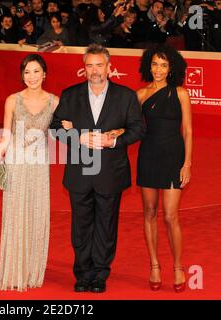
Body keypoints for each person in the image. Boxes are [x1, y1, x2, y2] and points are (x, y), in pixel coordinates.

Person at [50, 44, 145, 293]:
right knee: (80, 226)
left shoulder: (125, 96)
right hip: (80, 171)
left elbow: (138, 128)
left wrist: (113, 140)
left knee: (106, 224)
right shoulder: (70, 95)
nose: (94, 70)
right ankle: (82, 273)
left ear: (109, 67)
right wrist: (77, 137)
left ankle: (100, 274)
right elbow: (55, 126)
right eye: (89, 65)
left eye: (99, 65)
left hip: (110, 171)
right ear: (84, 68)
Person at [0, 54, 60, 291]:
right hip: (16, 164)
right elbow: (6, 135)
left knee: (37, 214)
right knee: (16, 215)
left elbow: (65, 128)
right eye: (27, 72)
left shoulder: (54, 102)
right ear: (22, 75)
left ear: (44, 74)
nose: (31, 76)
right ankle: (14, 271)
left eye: (36, 71)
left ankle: (32, 272)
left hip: (40, 166)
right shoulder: (12, 100)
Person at [136, 43, 192, 293]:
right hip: (148, 155)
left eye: (164, 65)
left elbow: (188, 131)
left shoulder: (180, 93)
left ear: (172, 68)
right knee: (149, 211)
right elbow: (133, 127)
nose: (158, 69)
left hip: (173, 156)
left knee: (170, 215)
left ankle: (178, 266)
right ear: (149, 65)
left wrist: (187, 163)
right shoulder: (140, 94)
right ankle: (154, 265)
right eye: (155, 64)